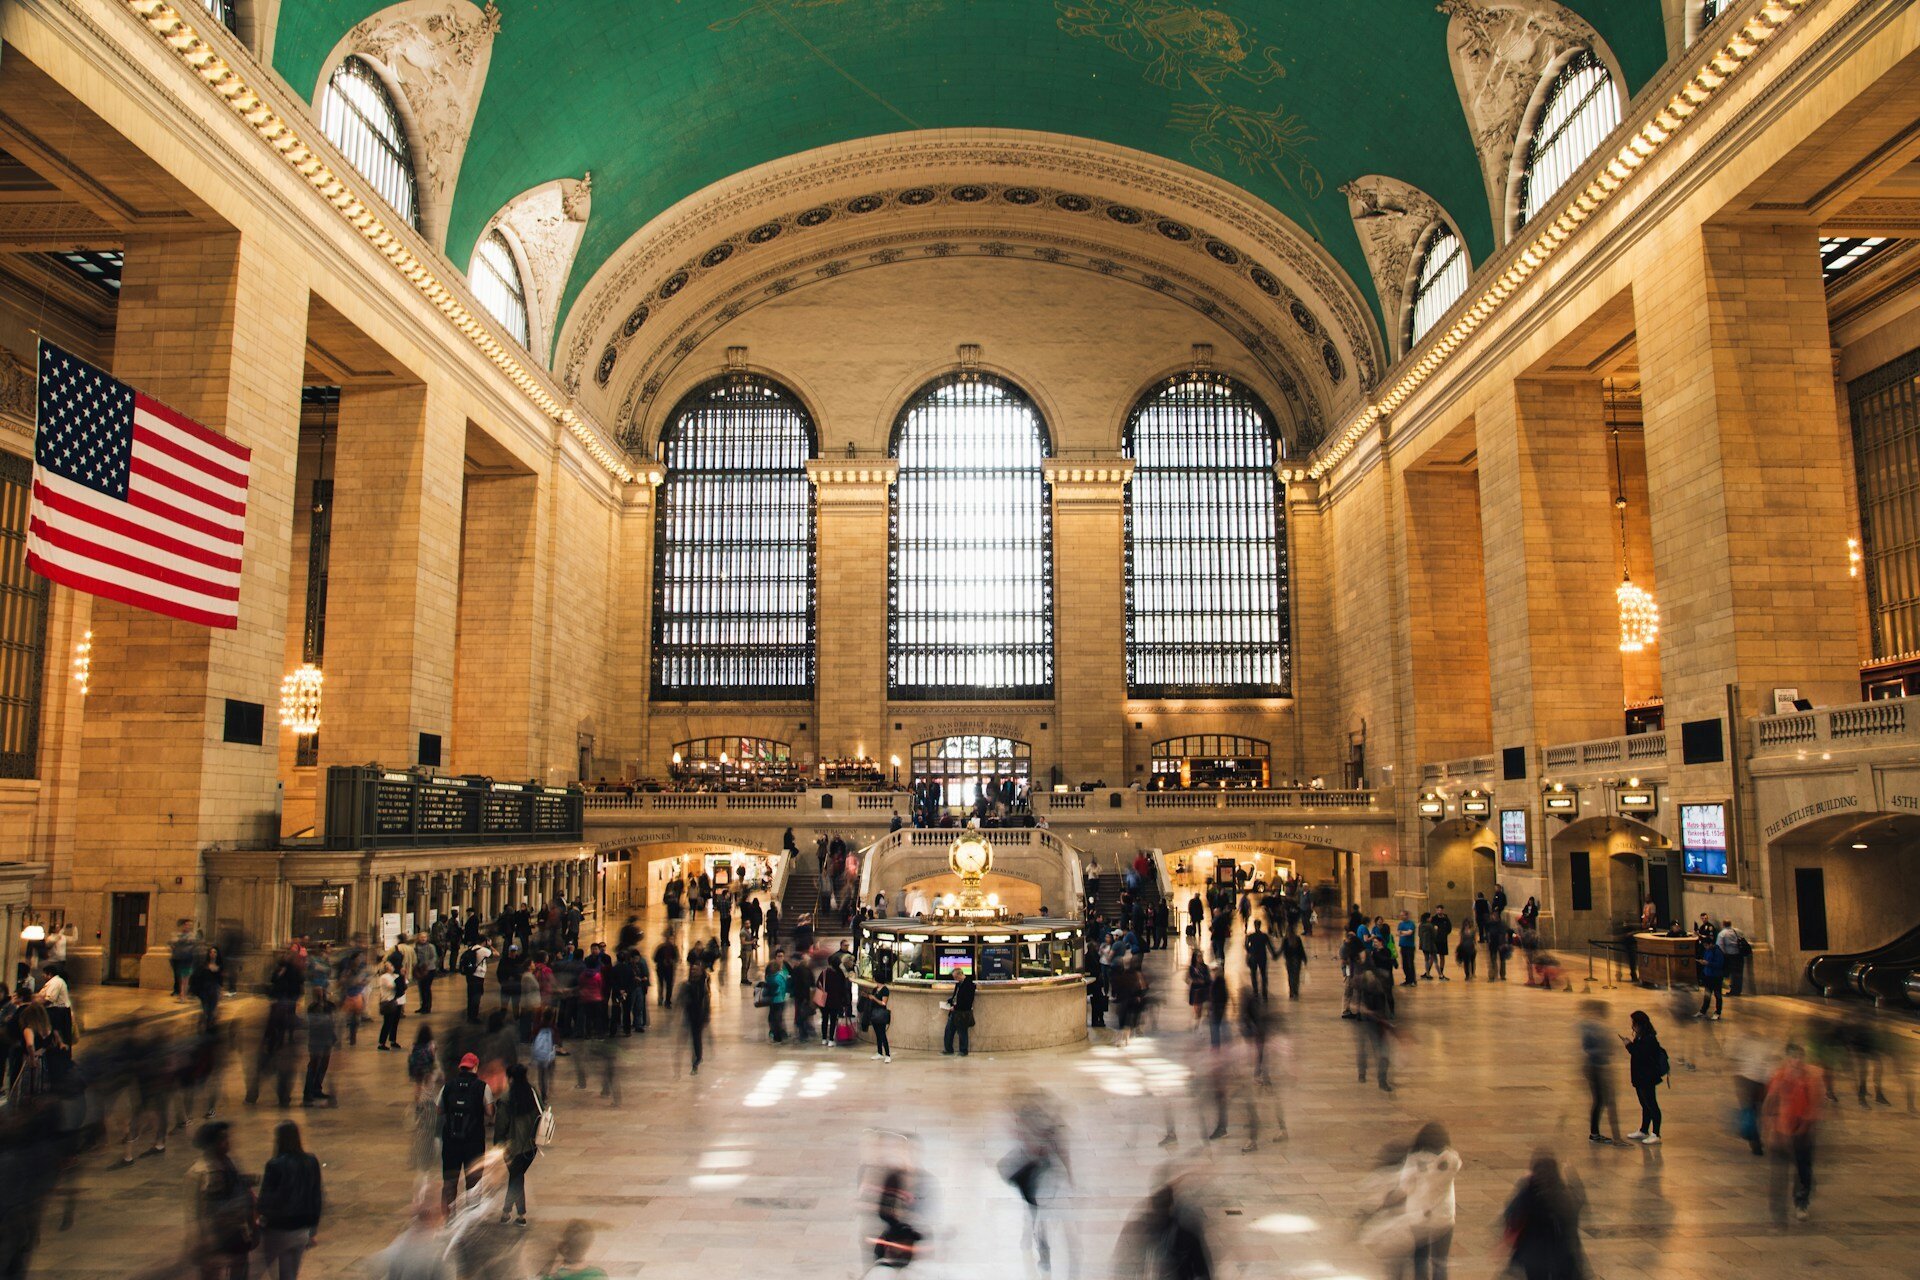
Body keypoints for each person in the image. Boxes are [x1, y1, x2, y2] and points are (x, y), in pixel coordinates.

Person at [1764, 1041, 1824, 1222]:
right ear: (1787, 1059)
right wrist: (1768, 1126)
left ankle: (1801, 1201)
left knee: (1803, 1169)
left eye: (1799, 1057)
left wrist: (1808, 1124)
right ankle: (1778, 1207)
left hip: (1803, 1132)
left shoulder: (1811, 1077)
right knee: (1780, 1172)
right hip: (1782, 1131)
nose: (1796, 1062)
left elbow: (1816, 1103)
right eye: (1792, 1058)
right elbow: (1770, 1101)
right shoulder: (1779, 1076)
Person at [256, 1120, 324, 1279]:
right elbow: (316, 1196)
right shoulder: (311, 1161)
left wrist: (260, 1218)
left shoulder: (275, 1164)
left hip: (279, 1228)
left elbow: (266, 1198)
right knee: (291, 1274)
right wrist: (313, 1229)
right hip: (302, 1229)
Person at [1502, 1153, 1587, 1280]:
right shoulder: (1563, 1197)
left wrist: (1525, 1183)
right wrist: (1572, 1176)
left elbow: (1511, 1214)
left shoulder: (1530, 1195)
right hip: (1563, 1259)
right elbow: (1579, 1199)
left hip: (1535, 1259)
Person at [187, 1121, 254, 1280]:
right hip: (214, 1235)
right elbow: (194, 1210)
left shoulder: (230, 1163)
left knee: (240, 1270)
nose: (228, 1143)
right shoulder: (199, 1172)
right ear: (212, 1144)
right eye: (223, 1140)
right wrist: (202, 1240)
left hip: (234, 1231)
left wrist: (251, 1225)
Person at [438, 1052, 494, 1208]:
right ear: (475, 1067)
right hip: (474, 1141)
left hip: (451, 1141)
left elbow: (438, 1110)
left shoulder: (448, 1086)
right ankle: (471, 1215)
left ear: (461, 1068)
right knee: (473, 1182)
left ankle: (448, 1217)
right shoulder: (483, 1087)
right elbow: (490, 1112)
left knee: (449, 1181)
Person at [496, 1064, 540, 1226]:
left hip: (512, 1148)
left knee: (516, 1178)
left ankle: (513, 1213)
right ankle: (513, 1214)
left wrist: (498, 1144)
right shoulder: (533, 1093)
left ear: (511, 1078)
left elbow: (501, 1125)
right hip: (531, 1147)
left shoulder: (507, 1098)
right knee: (517, 1177)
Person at [1579, 1003, 1623, 1144]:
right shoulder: (1597, 1028)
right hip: (1599, 1067)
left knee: (1599, 1101)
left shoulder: (1590, 1027)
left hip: (1594, 1066)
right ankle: (1614, 1137)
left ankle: (1596, 1133)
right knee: (1605, 1101)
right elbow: (1605, 1049)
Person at [1623, 1010, 1668, 1144]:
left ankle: (1656, 1133)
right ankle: (1644, 1129)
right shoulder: (1640, 1036)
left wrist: (1629, 1046)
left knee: (1651, 1104)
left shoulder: (1649, 1039)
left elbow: (1641, 1055)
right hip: (1639, 1076)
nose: (1633, 1026)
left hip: (1647, 1077)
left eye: (1634, 1023)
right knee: (1644, 1104)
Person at [942, 969, 977, 1057]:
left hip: (962, 1012)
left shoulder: (969, 984)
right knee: (949, 1030)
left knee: (962, 1032)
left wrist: (955, 1007)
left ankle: (963, 1050)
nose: (955, 979)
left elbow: (967, 1001)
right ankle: (948, 1049)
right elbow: (956, 996)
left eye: (955, 977)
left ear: (960, 975)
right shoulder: (958, 984)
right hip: (955, 1011)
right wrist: (950, 1001)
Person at [376, 958, 407, 1050]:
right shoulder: (385, 977)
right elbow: (393, 986)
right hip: (388, 1001)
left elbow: (404, 985)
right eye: (390, 965)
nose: (392, 967)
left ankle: (393, 1040)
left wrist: (402, 977)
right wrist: (401, 977)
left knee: (395, 1022)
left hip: (396, 1002)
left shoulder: (394, 975)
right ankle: (382, 1043)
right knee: (387, 1023)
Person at [461, 939, 493, 1024]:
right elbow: (496, 954)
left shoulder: (472, 948)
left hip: (470, 975)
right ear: (484, 942)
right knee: (476, 997)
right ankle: (474, 1017)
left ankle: (469, 1016)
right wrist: (490, 946)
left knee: (470, 996)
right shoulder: (483, 950)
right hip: (478, 976)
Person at [1243, 920, 1277, 1001]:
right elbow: (1270, 947)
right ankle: (1264, 993)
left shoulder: (1251, 936)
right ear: (1260, 925)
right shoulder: (1264, 936)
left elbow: (1246, 946)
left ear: (1255, 926)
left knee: (1253, 974)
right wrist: (1274, 954)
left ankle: (1255, 991)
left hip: (1254, 957)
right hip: (1262, 957)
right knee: (1263, 975)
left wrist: (1250, 951)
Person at [1696, 932, 1726, 1020]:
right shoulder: (1707, 951)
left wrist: (1708, 963)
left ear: (1711, 944)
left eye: (1706, 945)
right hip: (1708, 975)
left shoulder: (1717, 952)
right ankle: (1703, 1011)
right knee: (1707, 995)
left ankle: (1718, 1012)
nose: (1705, 947)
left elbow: (1719, 964)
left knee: (1717, 995)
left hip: (1716, 976)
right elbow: (1706, 959)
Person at [1279, 923, 1307, 1000]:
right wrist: (1304, 959)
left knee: (1290, 976)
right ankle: (1295, 990)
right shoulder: (1297, 939)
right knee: (1296, 976)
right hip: (1297, 960)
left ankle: (1292, 991)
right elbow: (1301, 950)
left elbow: (1281, 950)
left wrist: (1275, 955)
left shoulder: (1286, 940)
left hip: (1289, 960)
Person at [869, 979, 893, 1062]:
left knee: (882, 1034)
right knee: (877, 1034)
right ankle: (879, 1052)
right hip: (874, 1013)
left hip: (881, 1014)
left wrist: (874, 998)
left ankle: (887, 1054)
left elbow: (883, 1003)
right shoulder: (875, 989)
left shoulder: (885, 990)